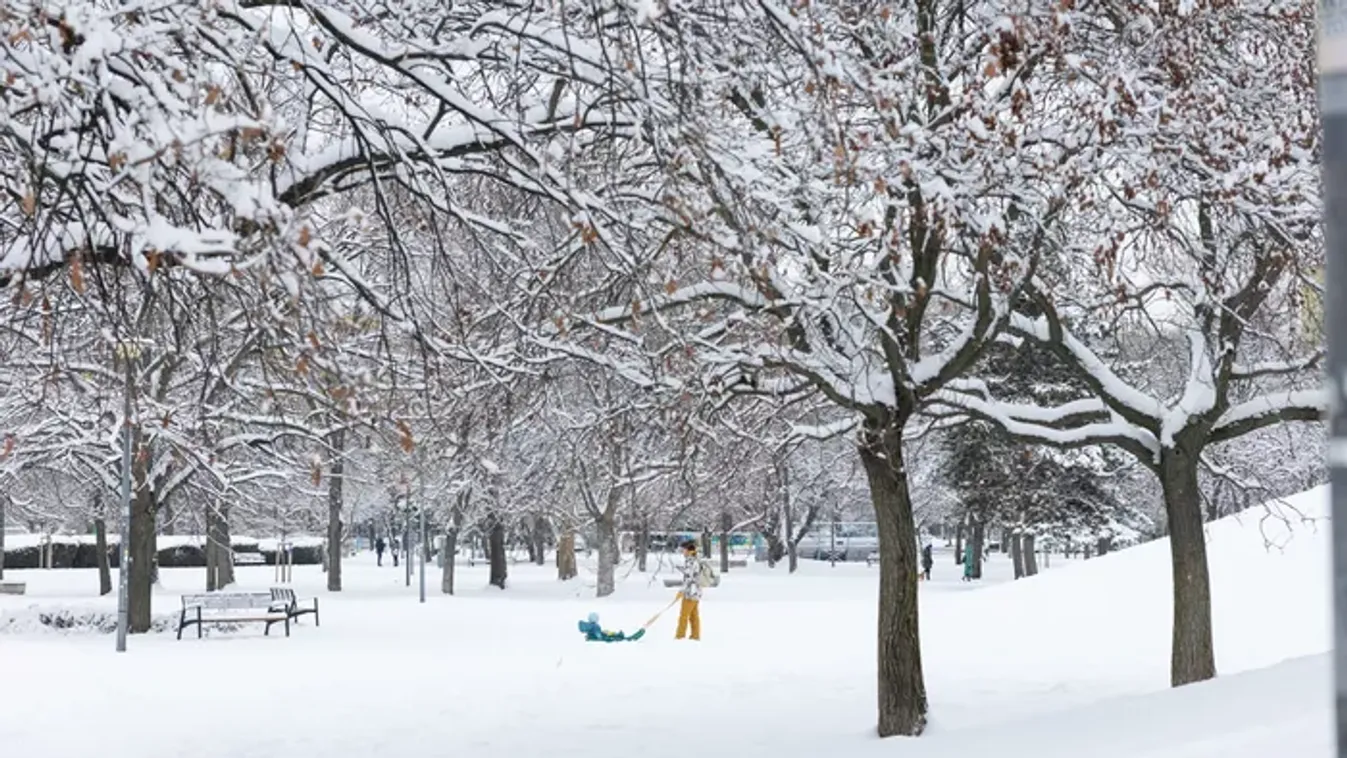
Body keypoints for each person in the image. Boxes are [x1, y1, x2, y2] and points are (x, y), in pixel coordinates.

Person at [675, 539, 710, 640]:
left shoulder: (691, 561)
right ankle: (695, 636)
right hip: (696, 592)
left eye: (683, 550)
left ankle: (680, 636)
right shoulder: (697, 559)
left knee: (683, 616)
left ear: (688, 550)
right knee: (694, 616)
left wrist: (681, 591)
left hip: (690, 593)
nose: (682, 552)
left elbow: (688, 579)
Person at [577, 612, 644, 642]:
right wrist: (606, 638)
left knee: (609, 633)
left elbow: (595, 634)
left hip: (598, 636)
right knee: (616, 636)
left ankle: (619, 635)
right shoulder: (595, 626)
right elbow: (599, 636)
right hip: (603, 637)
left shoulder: (590, 626)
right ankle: (625, 637)